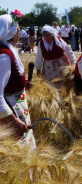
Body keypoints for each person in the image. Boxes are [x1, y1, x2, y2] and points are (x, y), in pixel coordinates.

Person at [0, 14, 36, 148]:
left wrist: (21, 83)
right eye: (17, 28)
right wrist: (13, 121)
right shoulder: (4, 55)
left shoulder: (8, 50)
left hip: (17, 107)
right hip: (10, 111)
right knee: (17, 148)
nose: (19, 32)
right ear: (12, 32)